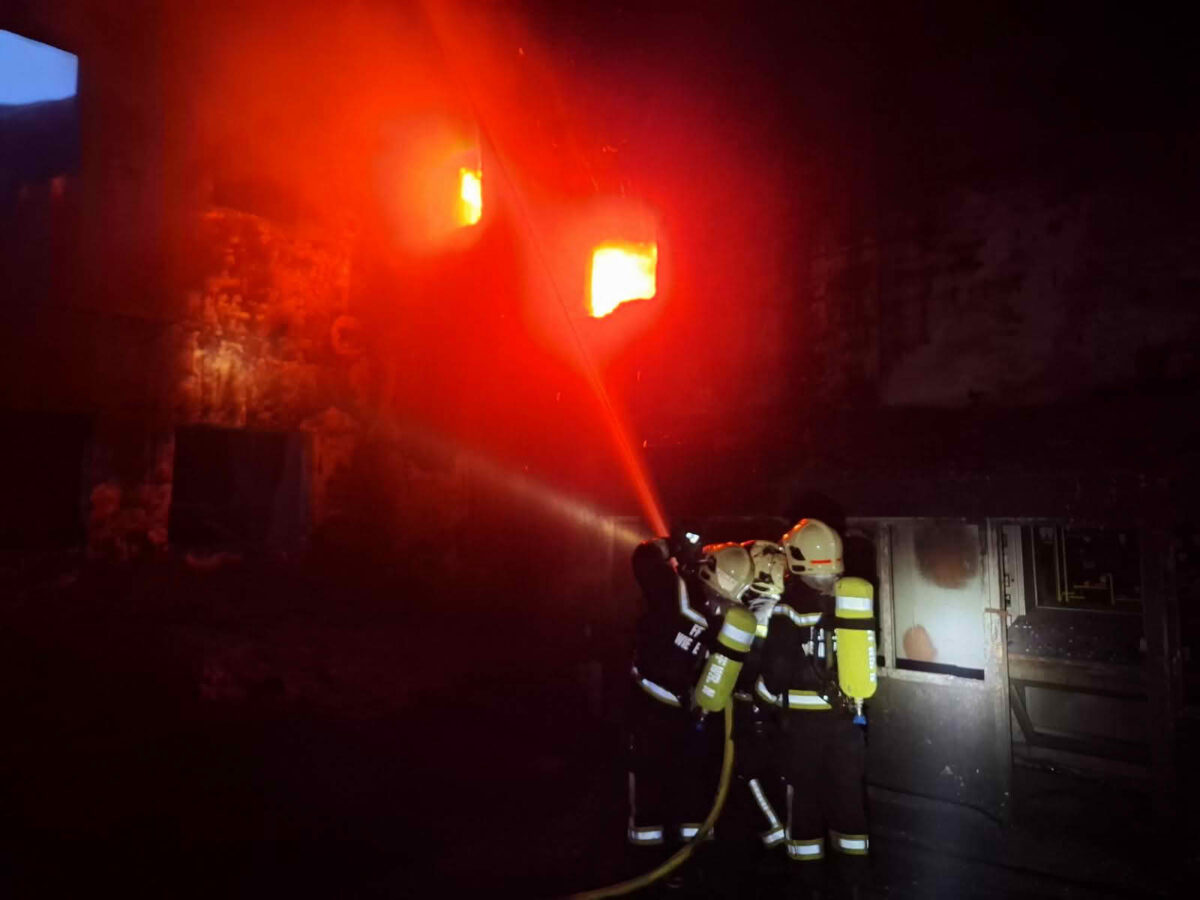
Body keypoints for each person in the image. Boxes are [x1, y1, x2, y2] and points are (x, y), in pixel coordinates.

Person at [624, 532, 754, 871]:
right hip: (693, 715)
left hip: (651, 706)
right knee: (692, 788)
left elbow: (643, 559)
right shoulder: (732, 620)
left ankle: (646, 867)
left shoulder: (675, 592)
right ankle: (688, 869)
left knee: (650, 787)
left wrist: (671, 544)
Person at [758, 518, 871, 897]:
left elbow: (773, 676)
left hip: (803, 731)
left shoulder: (786, 609)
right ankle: (854, 884)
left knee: (803, 806)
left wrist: (758, 701)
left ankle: (809, 888)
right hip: (847, 725)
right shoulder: (853, 601)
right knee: (848, 805)